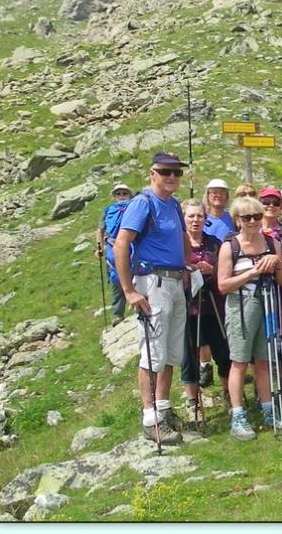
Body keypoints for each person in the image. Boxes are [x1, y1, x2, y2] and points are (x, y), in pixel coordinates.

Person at [114, 152, 190, 446]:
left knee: (170, 351)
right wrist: (129, 290)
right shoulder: (142, 203)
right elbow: (122, 243)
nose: (172, 177)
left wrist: (186, 266)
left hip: (174, 281)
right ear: (152, 173)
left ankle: (164, 408)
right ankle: (150, 419)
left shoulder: (174, 204)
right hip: (153, 282)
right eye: (165, 171)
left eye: (176, 172)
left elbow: (182, 237)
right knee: (152, 352)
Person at [217, 196, 282, 441]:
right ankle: (238, 416)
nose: (252, 221)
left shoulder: (271, 243)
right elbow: (223, 285)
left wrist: (277, 262)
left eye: (257, 216)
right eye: (247, 217)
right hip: (241, 305)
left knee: (263, 360)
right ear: (237, 220)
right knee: (239, 361)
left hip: (268, 303)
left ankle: (269, 410)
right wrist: (253, 271)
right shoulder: (230, 246)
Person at [180, 199, 232, 419]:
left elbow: (226, 268)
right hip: (187, 309)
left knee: (223, 353)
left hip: (214, 306)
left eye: (199, 216)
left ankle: (230, 396)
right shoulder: (178, 243)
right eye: (191, 216)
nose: (195, 220)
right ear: (183, 218)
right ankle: (193, 405)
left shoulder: (214, 243)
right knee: (189, 358)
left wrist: (212, 269)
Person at [259, 187, 282, 397]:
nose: (271, 206)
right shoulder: (250, 227)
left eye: (275, 202)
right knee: (259, 337)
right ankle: (263, 387)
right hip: (257, 289)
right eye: (266, 202)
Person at [198, 178, 234, 386]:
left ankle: (228, 365)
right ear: (208, 195)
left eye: (221, 192)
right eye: (213, 192)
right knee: (203, 322)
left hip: (226, 275)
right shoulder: (203, 218)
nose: (217, 196)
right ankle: (205, 364)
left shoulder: (231, 219)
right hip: (204, 277)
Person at [96, 183, 133, 326]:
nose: (121, 196)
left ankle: (140, 309)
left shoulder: (135, 208)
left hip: (132, 246)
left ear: (129, 195)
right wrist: (99, 247)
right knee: (116, 279)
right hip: (113, 248)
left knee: (137, 277)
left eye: (124, 193)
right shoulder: (108, 211)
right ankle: (118, 314)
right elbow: (100, 230)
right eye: (118, 194)